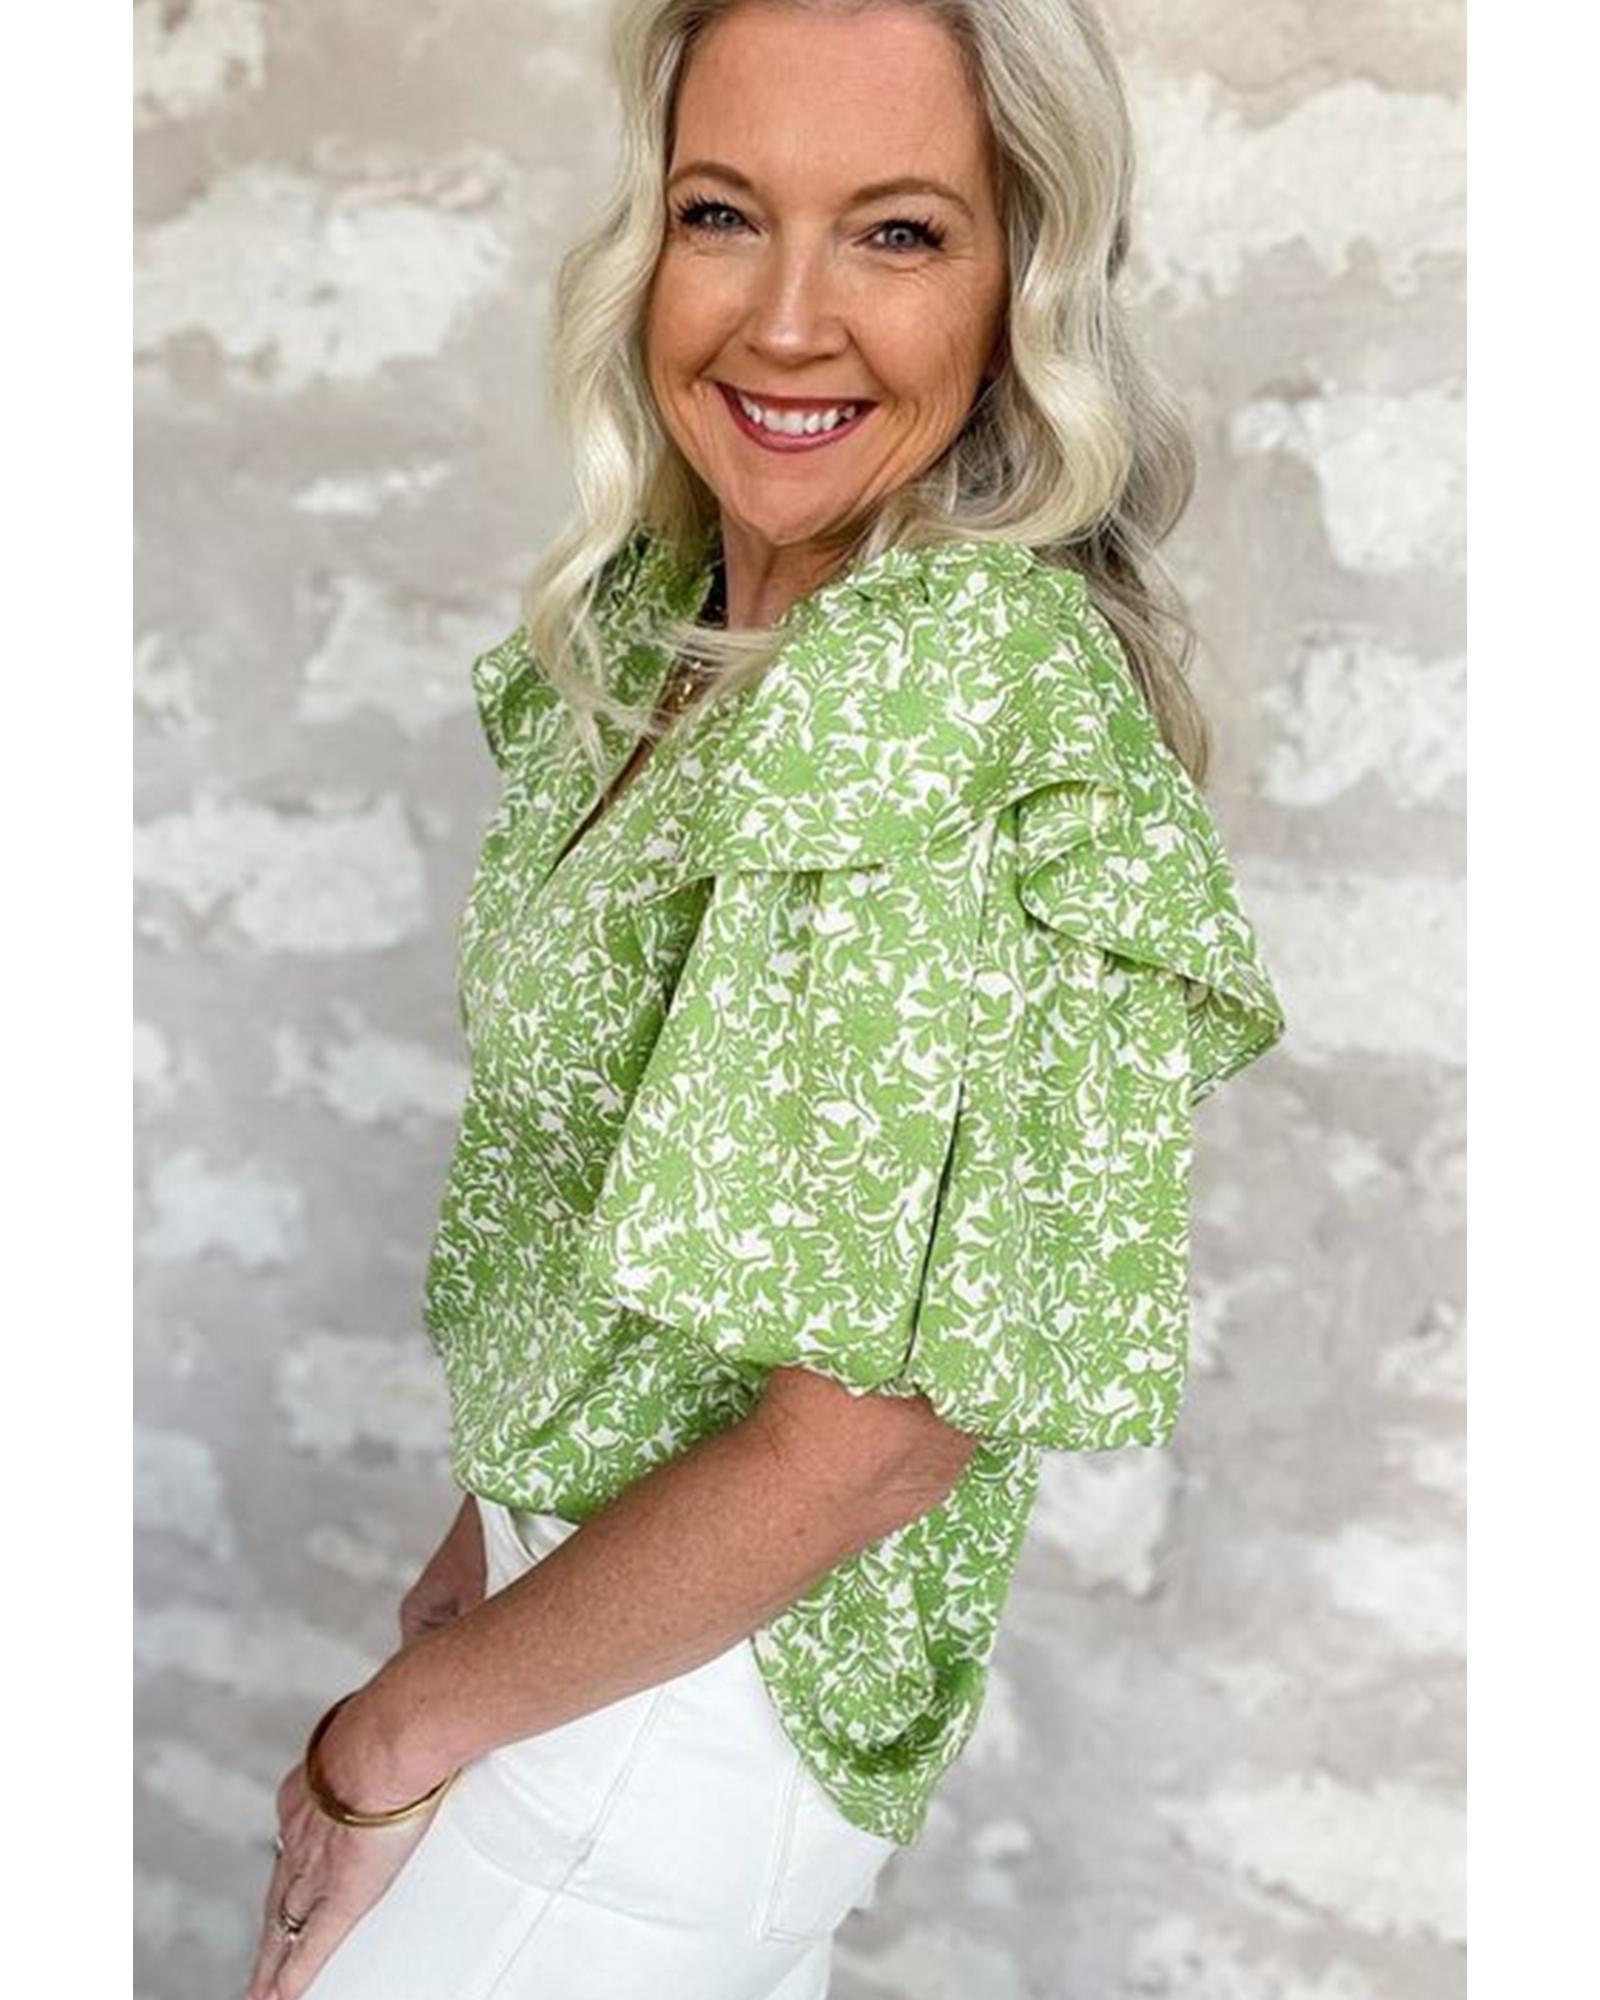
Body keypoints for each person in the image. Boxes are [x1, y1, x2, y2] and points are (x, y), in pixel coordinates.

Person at [246, 2, 1288, 1996]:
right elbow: (616, 1223)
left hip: (670, 1717)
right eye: (724, 213)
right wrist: (479, 1554)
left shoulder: (938, 677)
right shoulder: (688, 633)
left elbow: (875, 1432)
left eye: (897, 232)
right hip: (583, 1643)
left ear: (1021, 276)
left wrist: (384, 1740)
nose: (786, 321)